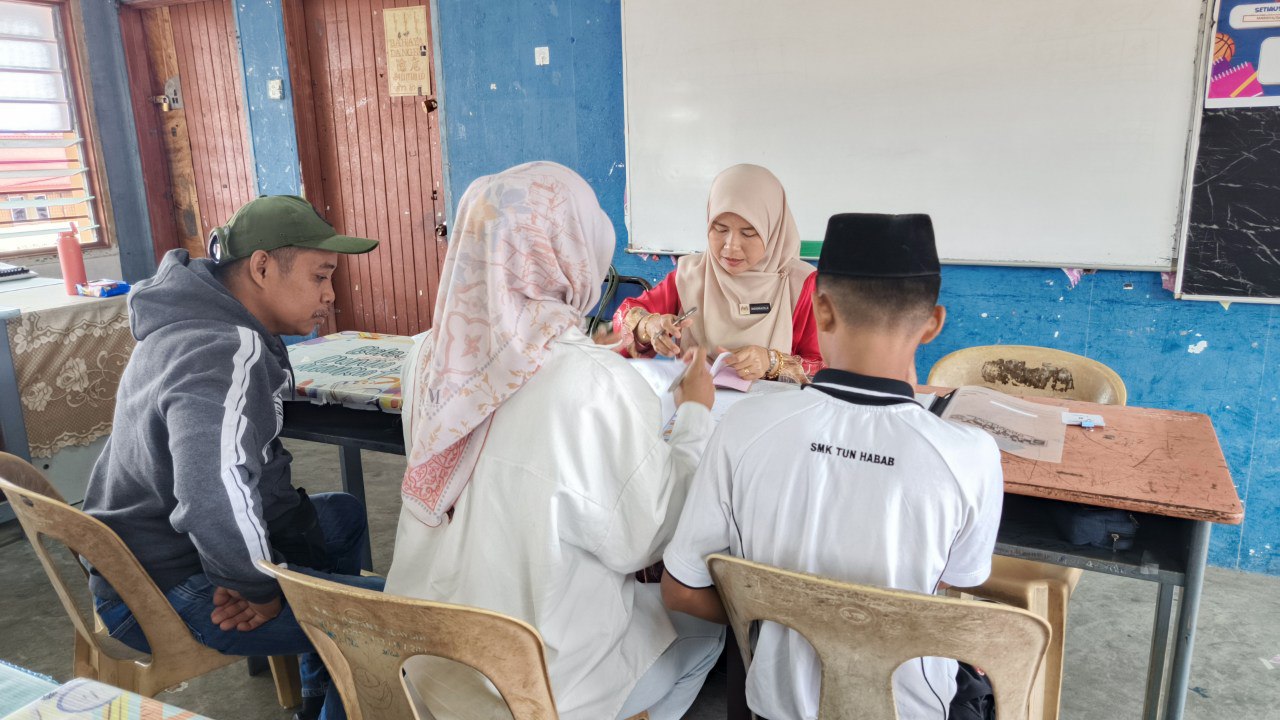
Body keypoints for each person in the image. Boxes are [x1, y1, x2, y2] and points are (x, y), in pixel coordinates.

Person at [387, 161, 724, 720]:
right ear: (568, 253)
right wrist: (694, 414)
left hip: (424, 667)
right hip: (535, 690)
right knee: (704, 635)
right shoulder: (593, 383)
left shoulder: (425, 356)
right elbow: (649, 536)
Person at [660, 213, 1004, 720]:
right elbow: (957, 580)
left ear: (821, 310)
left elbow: (681, 591)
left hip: (775, 710)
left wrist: (774, 619)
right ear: (933, 324)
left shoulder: (744, 426)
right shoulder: (970, 454)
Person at [82, 196, 386, 720]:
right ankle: (342, 655)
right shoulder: (223, 349)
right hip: (168, 590)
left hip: (136, 564)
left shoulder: (187, 322)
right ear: (262, 267)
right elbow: (211, 493)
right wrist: (257, 587)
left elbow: (239, 472)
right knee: (395, 623)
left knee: (341, 515)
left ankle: (318, 694)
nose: (330, 295)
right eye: (320, 276)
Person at [613, 164, 822, 383]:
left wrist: (773, 362)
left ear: (773, 231)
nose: (731, 246)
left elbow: (827, 367)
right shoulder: (691, 276)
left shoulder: (801, 285)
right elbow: (622, 322)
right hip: (698, 401)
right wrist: (648, 326)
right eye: (720, 229)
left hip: (775, 405)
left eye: (748, 233)